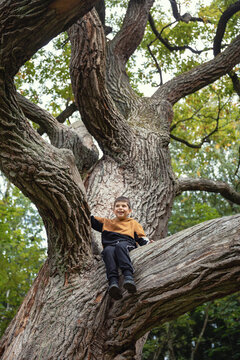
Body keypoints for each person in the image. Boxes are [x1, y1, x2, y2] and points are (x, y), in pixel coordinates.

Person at [91, 196, 152, 300]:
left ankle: (128, 276)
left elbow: (141, 237)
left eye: (124, 206)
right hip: (110, 246)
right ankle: (113, 282)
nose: (120, 208)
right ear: (114, 210)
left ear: (129, 211)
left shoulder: (132, 223)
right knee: (107, 251)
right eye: (117, 206)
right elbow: (90, 219)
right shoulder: (107, 223)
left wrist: (148, 243)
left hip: (127, 244)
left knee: (120, 246)